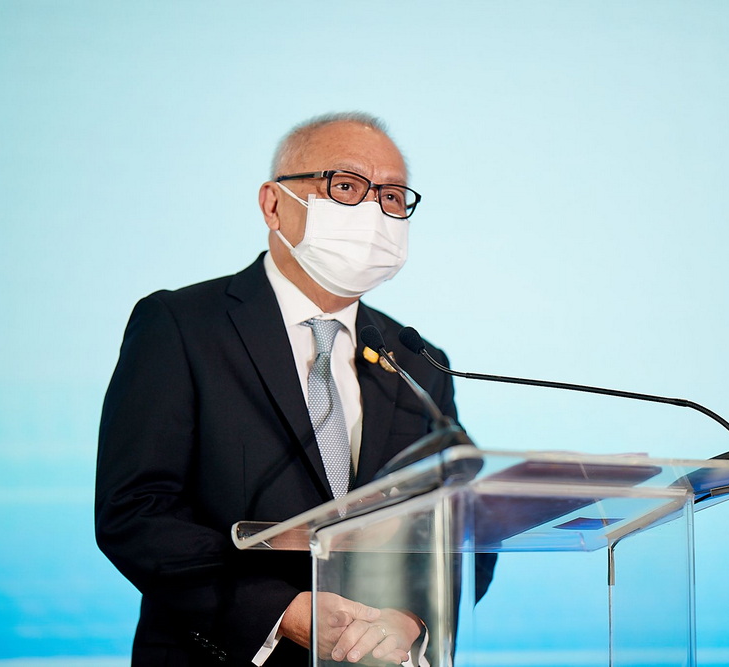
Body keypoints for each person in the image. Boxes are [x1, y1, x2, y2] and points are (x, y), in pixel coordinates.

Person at [95, 112, 492, 666]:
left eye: (392, 196)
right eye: (346, 186)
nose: (374, 211)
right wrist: (282, 612)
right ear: (273, 204)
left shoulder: (414, 362)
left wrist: (411, 617)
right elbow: (136, 510)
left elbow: (460, 521)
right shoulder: (181, 326)